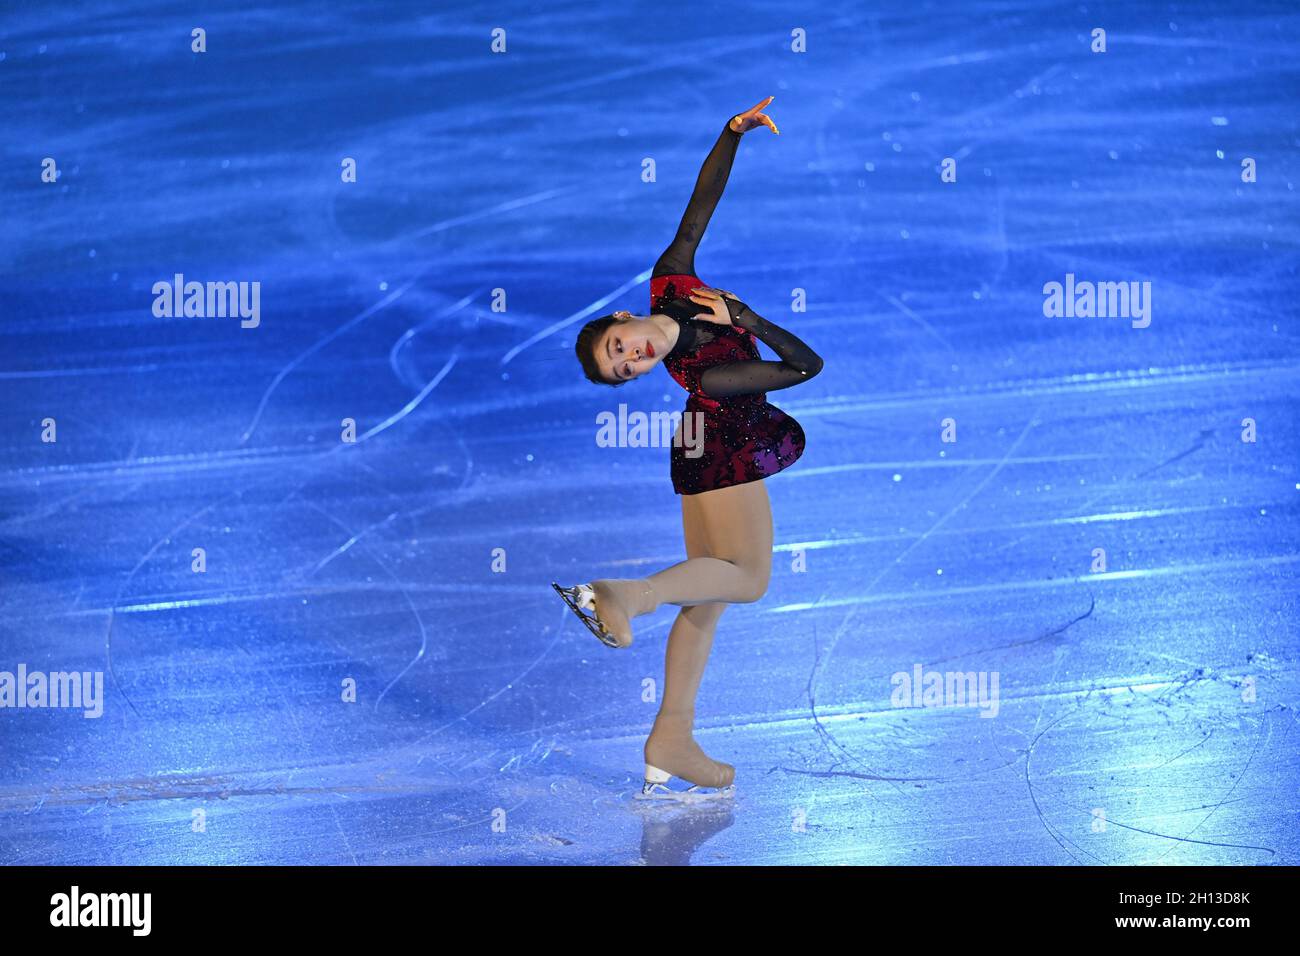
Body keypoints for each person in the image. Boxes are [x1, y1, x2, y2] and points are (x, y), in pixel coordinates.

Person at [554, 96, 823, 800]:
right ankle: (625, 595)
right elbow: (804, 368)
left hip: (699, 445)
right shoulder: (704, 370)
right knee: (750, 579)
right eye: (625, 369)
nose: (632, 358)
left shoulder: (671, 280)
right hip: (724, 447)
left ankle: (672, 734)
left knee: (707, 597)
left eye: (621, 349)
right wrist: (746, 317)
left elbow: (699, 204)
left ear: (622, 318)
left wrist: (729, 134)